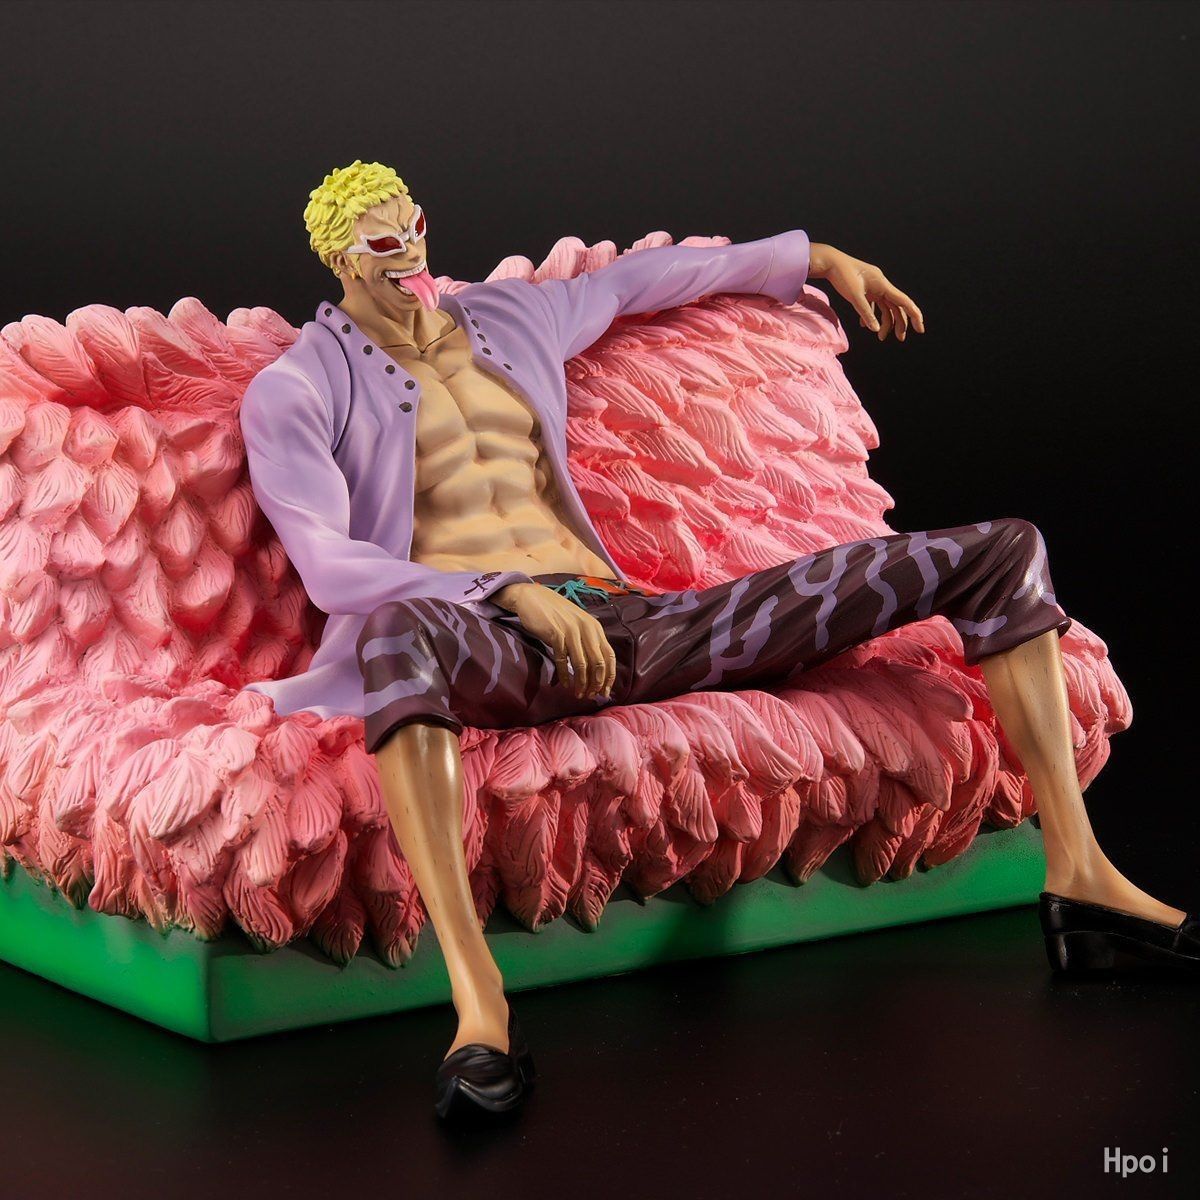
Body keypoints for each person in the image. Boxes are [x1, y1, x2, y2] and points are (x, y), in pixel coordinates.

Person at [239, 161, 1197, 1122]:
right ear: (339, 259)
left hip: (635, 623)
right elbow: (330, 564)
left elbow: (644, 280)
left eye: (414, 225)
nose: (409, 249)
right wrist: (504, 592)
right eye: (383, 240)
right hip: (489, 643)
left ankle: (1082, 880)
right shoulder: (299, 387)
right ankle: (480, 1005)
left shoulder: (508, 317)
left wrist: (815, 256)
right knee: (395, 638)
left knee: (1003, 550)